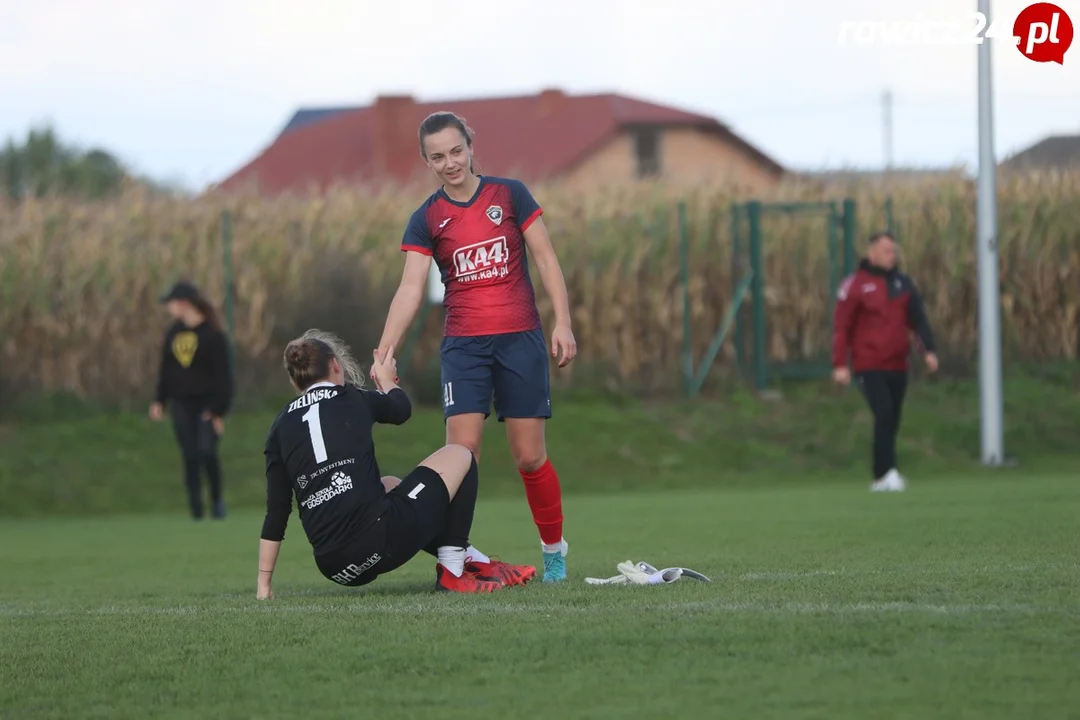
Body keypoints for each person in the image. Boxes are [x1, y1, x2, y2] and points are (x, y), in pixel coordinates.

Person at [374, 111, 576, 583]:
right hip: (464, 349)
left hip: (520, 340)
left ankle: (553, 550)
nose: (450, 163)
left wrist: (562, 322)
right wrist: (384, 354)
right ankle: (453, 561)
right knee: (460, 457)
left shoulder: (510, 194)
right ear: (427, 162)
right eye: (438, 156)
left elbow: (545, 258)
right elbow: (408, 289)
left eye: (456, 151)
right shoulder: (426, 218)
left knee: (529, 457)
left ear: (470, 146)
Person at [257, 329, 527, 597]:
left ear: (296, 383)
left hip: (335, 566)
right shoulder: (352, 397)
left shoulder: (279, 427)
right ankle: (453, 573)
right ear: (335, 366)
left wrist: (264, 585)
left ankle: (475, 560)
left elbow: (277, 512)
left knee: (390, 486)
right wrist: (387, 380)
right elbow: (400, 409)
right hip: (377, 542)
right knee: (461, 454)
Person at [831, 231, 938, 492]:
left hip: (898, 364)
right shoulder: (855, 285)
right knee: (884, 412)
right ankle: (886, 472)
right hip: (868, 363)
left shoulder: (902, 283)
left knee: (893, 418)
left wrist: (928, 351)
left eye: (894, 251)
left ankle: (882, 475)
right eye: (887, 251)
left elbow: (917, 319)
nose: (893, 256)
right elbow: (842, 326)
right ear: (872, 253)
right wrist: (840, 364)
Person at [149, 280, 233, 519]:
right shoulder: (173, 333)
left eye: (172, 303)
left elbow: (223, 376)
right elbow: (167, 370)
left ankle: (217, 501)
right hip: (181, 404)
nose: (169, 308)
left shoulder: (212, 335)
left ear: (185, 303)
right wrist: (160, 400)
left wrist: (218, 410)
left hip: (207, 405)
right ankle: (196, 509)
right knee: (190, 456)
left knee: (207, 452)